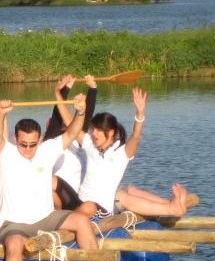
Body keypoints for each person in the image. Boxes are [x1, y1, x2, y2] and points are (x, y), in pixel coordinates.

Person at [0, 94, 124, 261]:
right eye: (23, 144)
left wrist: (80, 112)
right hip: (14, 223)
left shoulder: (47, 150)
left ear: (39, 139)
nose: (28, 149)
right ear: (15, 139)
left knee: (81, 221)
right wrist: (1, 115)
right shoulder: (5, 153)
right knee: (13, 246)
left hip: (46, 217)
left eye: (32, 144)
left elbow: (71, 133)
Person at [73, 87, 188, 219]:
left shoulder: (122, 152)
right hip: (85, 202)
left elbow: (136, 135)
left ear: (111, 132)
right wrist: (76, 108)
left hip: (100, 209)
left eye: (98, 130)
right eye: (93, 129)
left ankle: (171, 207)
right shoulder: (90, 145)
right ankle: (170, 205)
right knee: (126, 192)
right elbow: (72, 128)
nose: (94, 133)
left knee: (120, 196)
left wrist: (140, 112)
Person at [46, 74, 95, 210]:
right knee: (51, 194)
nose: (64, 124)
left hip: (73, 199)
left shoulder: (76, 142)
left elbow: (86, 117)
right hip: (52, 196)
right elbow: (56, 118)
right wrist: (62, 91)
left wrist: (92, 89)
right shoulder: (48, 144)